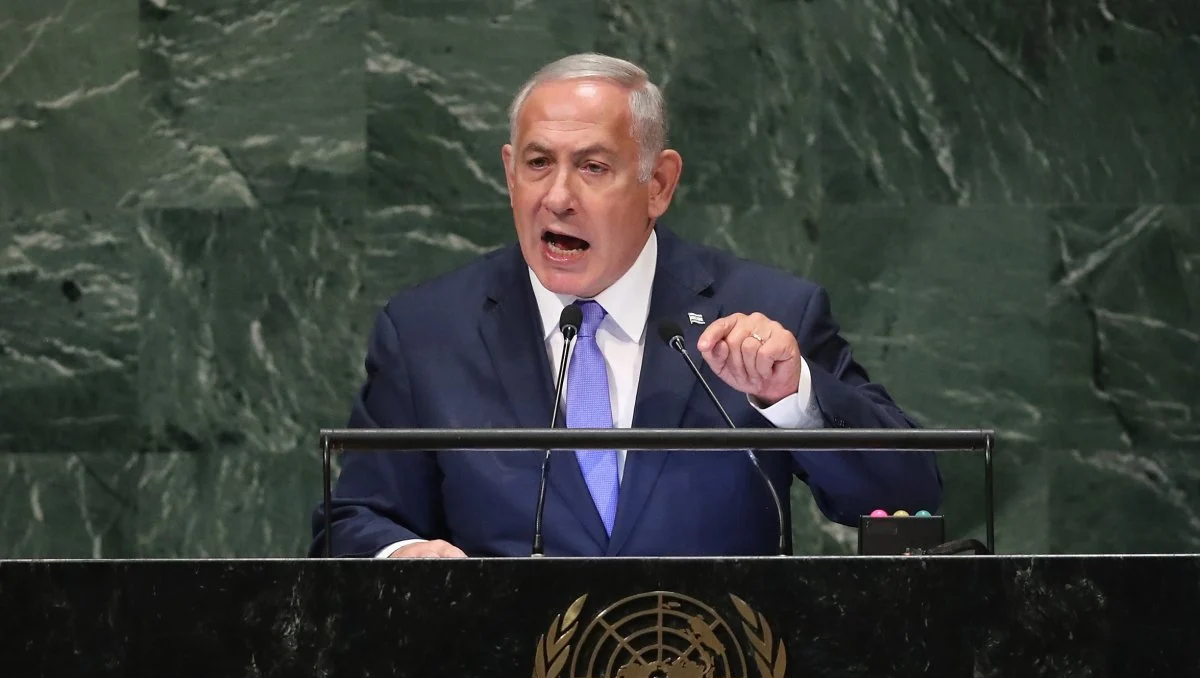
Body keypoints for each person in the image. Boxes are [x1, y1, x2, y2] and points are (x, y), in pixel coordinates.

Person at [310, 53, 941, 559]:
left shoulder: (768, 312)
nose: (558, 196)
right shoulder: (427, 333)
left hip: (719, 674)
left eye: (592, 166)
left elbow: (911, 497)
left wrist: (794, 397)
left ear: (658, 183)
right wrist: (403, 554)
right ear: (509, 172)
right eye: (538, 163)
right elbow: (353, 521)